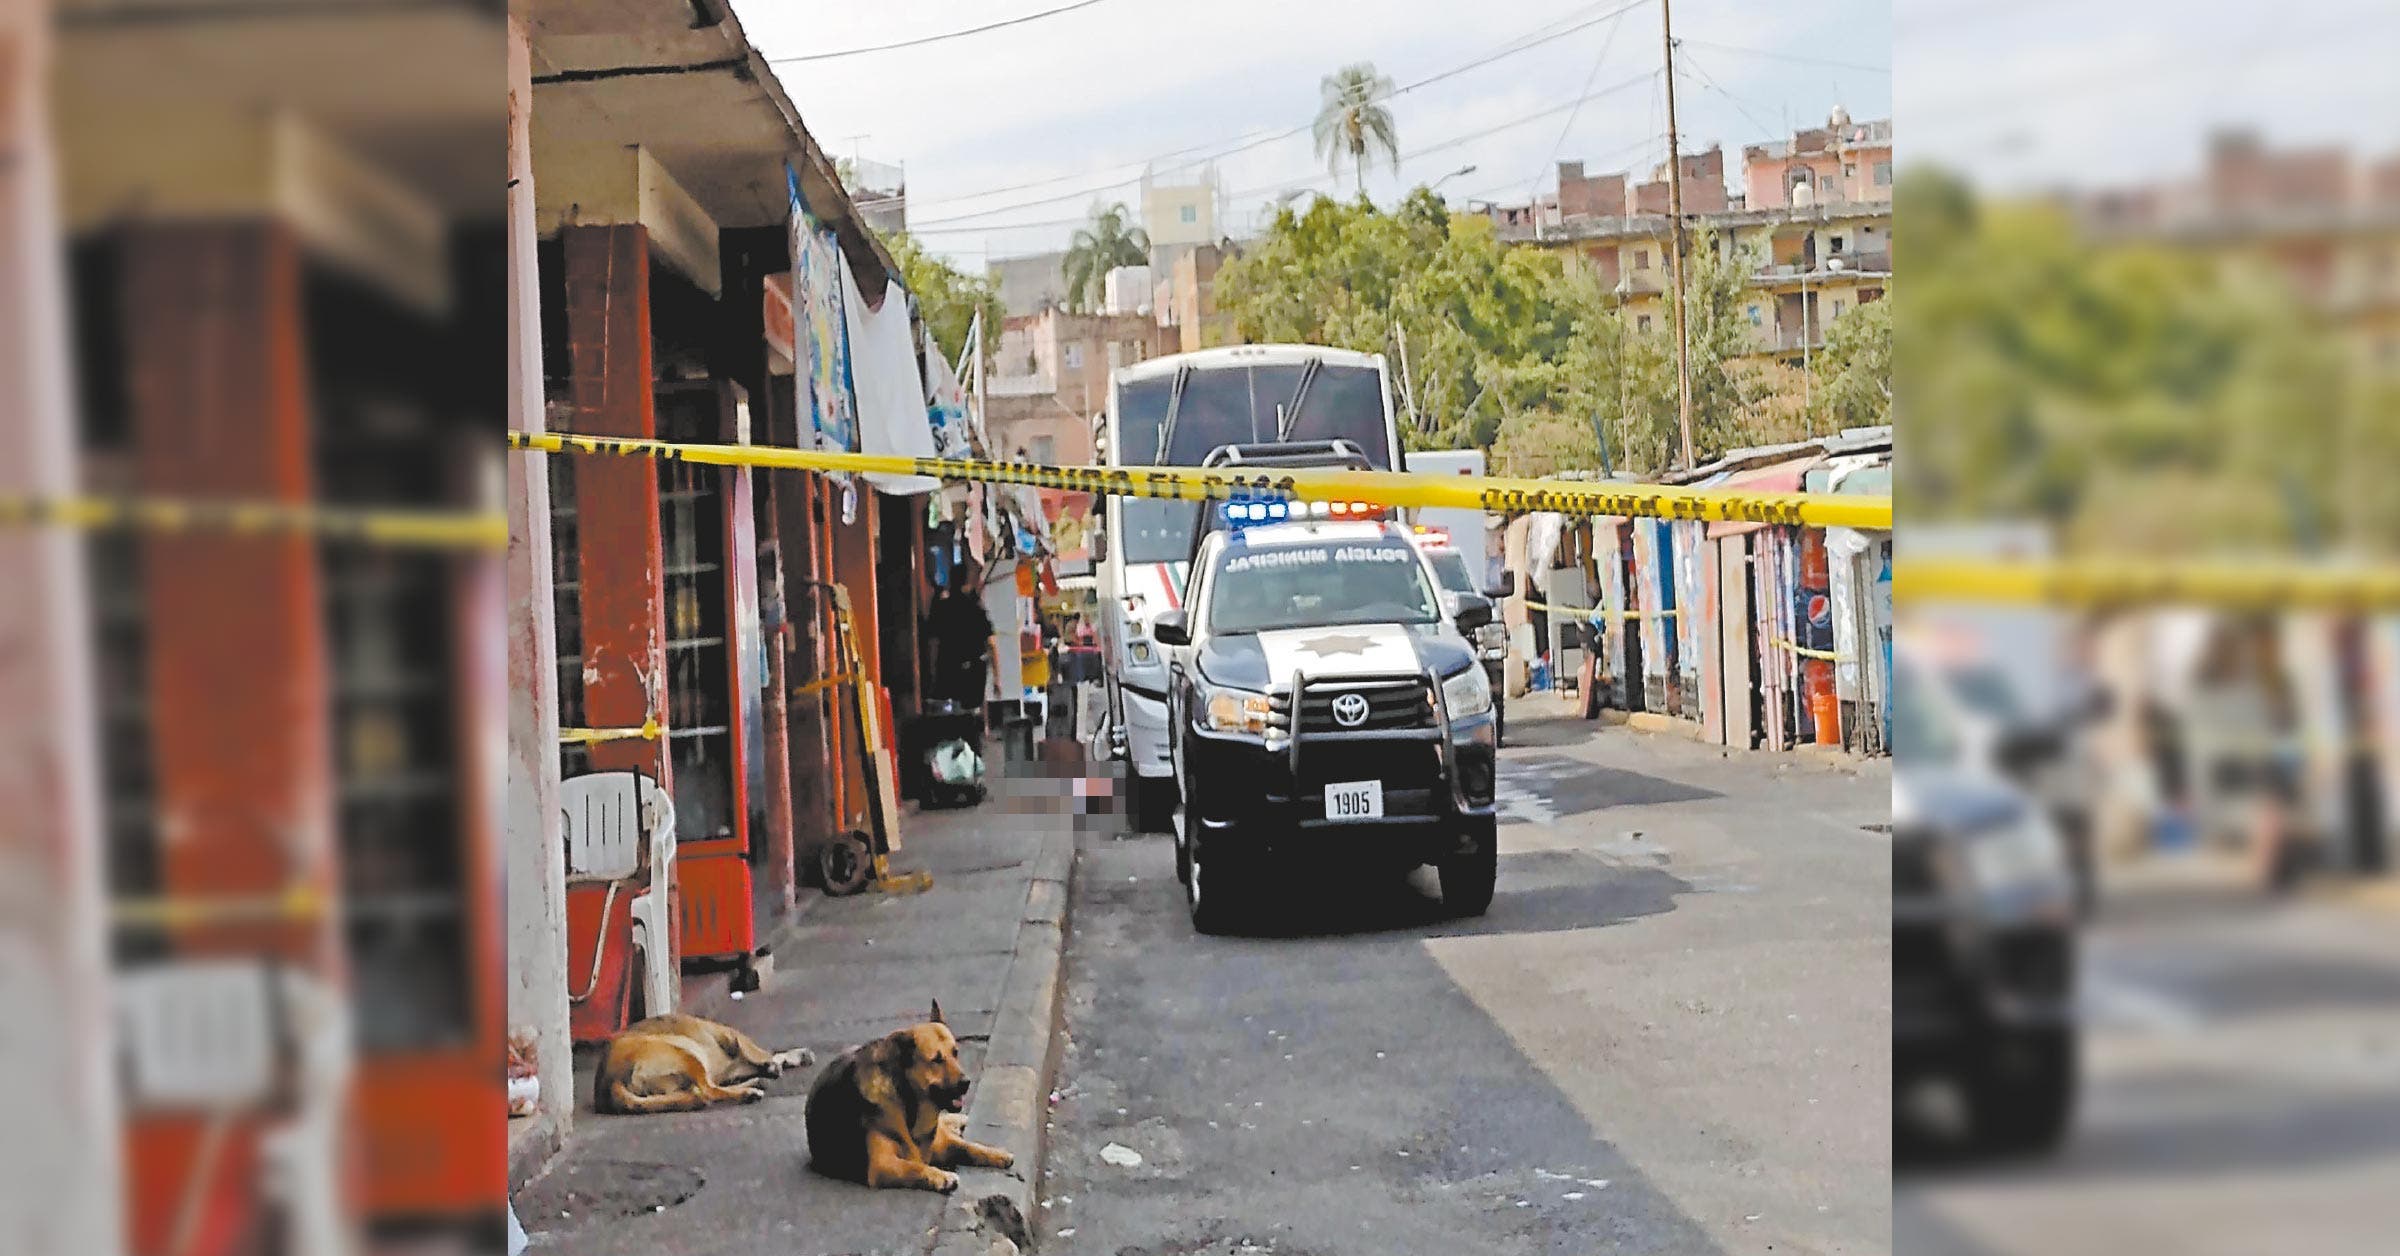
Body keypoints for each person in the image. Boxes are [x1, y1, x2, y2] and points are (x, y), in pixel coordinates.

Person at [927, 575, 992, 709]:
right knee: (967, 709)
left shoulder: (943, 607)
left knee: (946, 704)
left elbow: (934, 642)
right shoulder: (978, 612)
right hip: (972, 669)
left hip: (948, 666)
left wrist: (932, 668)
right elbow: (991, 643)